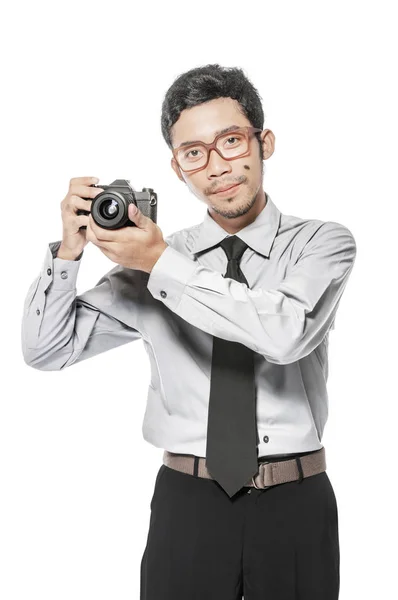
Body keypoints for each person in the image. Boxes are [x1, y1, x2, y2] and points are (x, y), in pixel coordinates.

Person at [21, 63, 356, 599]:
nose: (217, 166)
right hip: (188, 501)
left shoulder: (321, 244)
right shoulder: (153, 258)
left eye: (230, 141)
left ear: (263, 142)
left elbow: (284, 334)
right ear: (178, 169)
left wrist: (160, 265)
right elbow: (46, 349)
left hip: (297, 500)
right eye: (194, 153)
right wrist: (68, 253)